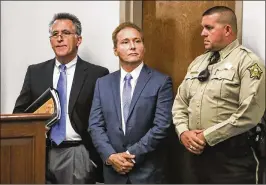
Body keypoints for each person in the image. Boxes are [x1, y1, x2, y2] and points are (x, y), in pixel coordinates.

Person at [172, 6, 265, 184]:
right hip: (194, 156)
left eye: (209, 28)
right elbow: (180, 104)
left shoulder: (248, 63)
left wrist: (206, 136)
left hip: (232, 157)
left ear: (227, 29)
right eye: (203, 28)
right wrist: (183, 132)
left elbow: (249, 114)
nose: (202, 33)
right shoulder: (198, 63)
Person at [13, 13, 109, 184]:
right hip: (40, 151)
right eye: (55, 34)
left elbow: (104, 119)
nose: (59, 38)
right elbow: (19, 113)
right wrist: (33, 129)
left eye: (65, 33)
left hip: (78, 153)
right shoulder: (35, 72)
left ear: (78, 40)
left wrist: (92, 159)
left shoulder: (97, 74)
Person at [88, 22, 173, 183]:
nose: (132, 46)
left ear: (144, 47)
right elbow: (95, 125)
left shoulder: (161, 82)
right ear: (115, 50)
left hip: (147, 173)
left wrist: (129, 156)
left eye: (137, 41)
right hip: (113, 173)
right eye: (125, 42)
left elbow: (162, 126)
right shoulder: (103, 83)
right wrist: (111, 156)